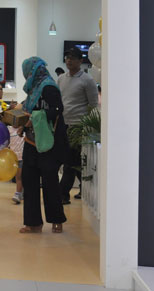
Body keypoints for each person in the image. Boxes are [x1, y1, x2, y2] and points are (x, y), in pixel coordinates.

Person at [18, 56, 68, 233]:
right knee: (29, 180)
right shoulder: (33, 89)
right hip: (31, 141)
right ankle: (33, 222)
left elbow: (57, 109)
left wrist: (35, 118)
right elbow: (30, 111)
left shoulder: (48, 87)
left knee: (50, 182)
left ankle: (56, 220)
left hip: (48, 142)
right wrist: (23, 124)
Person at [57, 47, 99, 203]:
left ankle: (63, 194)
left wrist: (87, 126)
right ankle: (83, 188)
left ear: (80, 61)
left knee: (70, 161)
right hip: (63, 124)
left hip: (78, 126)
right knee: (72, 161)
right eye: (67, 57)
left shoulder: (87, 80)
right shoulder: (61, 78)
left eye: (73, 58)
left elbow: (93, 104)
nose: (69, 60)